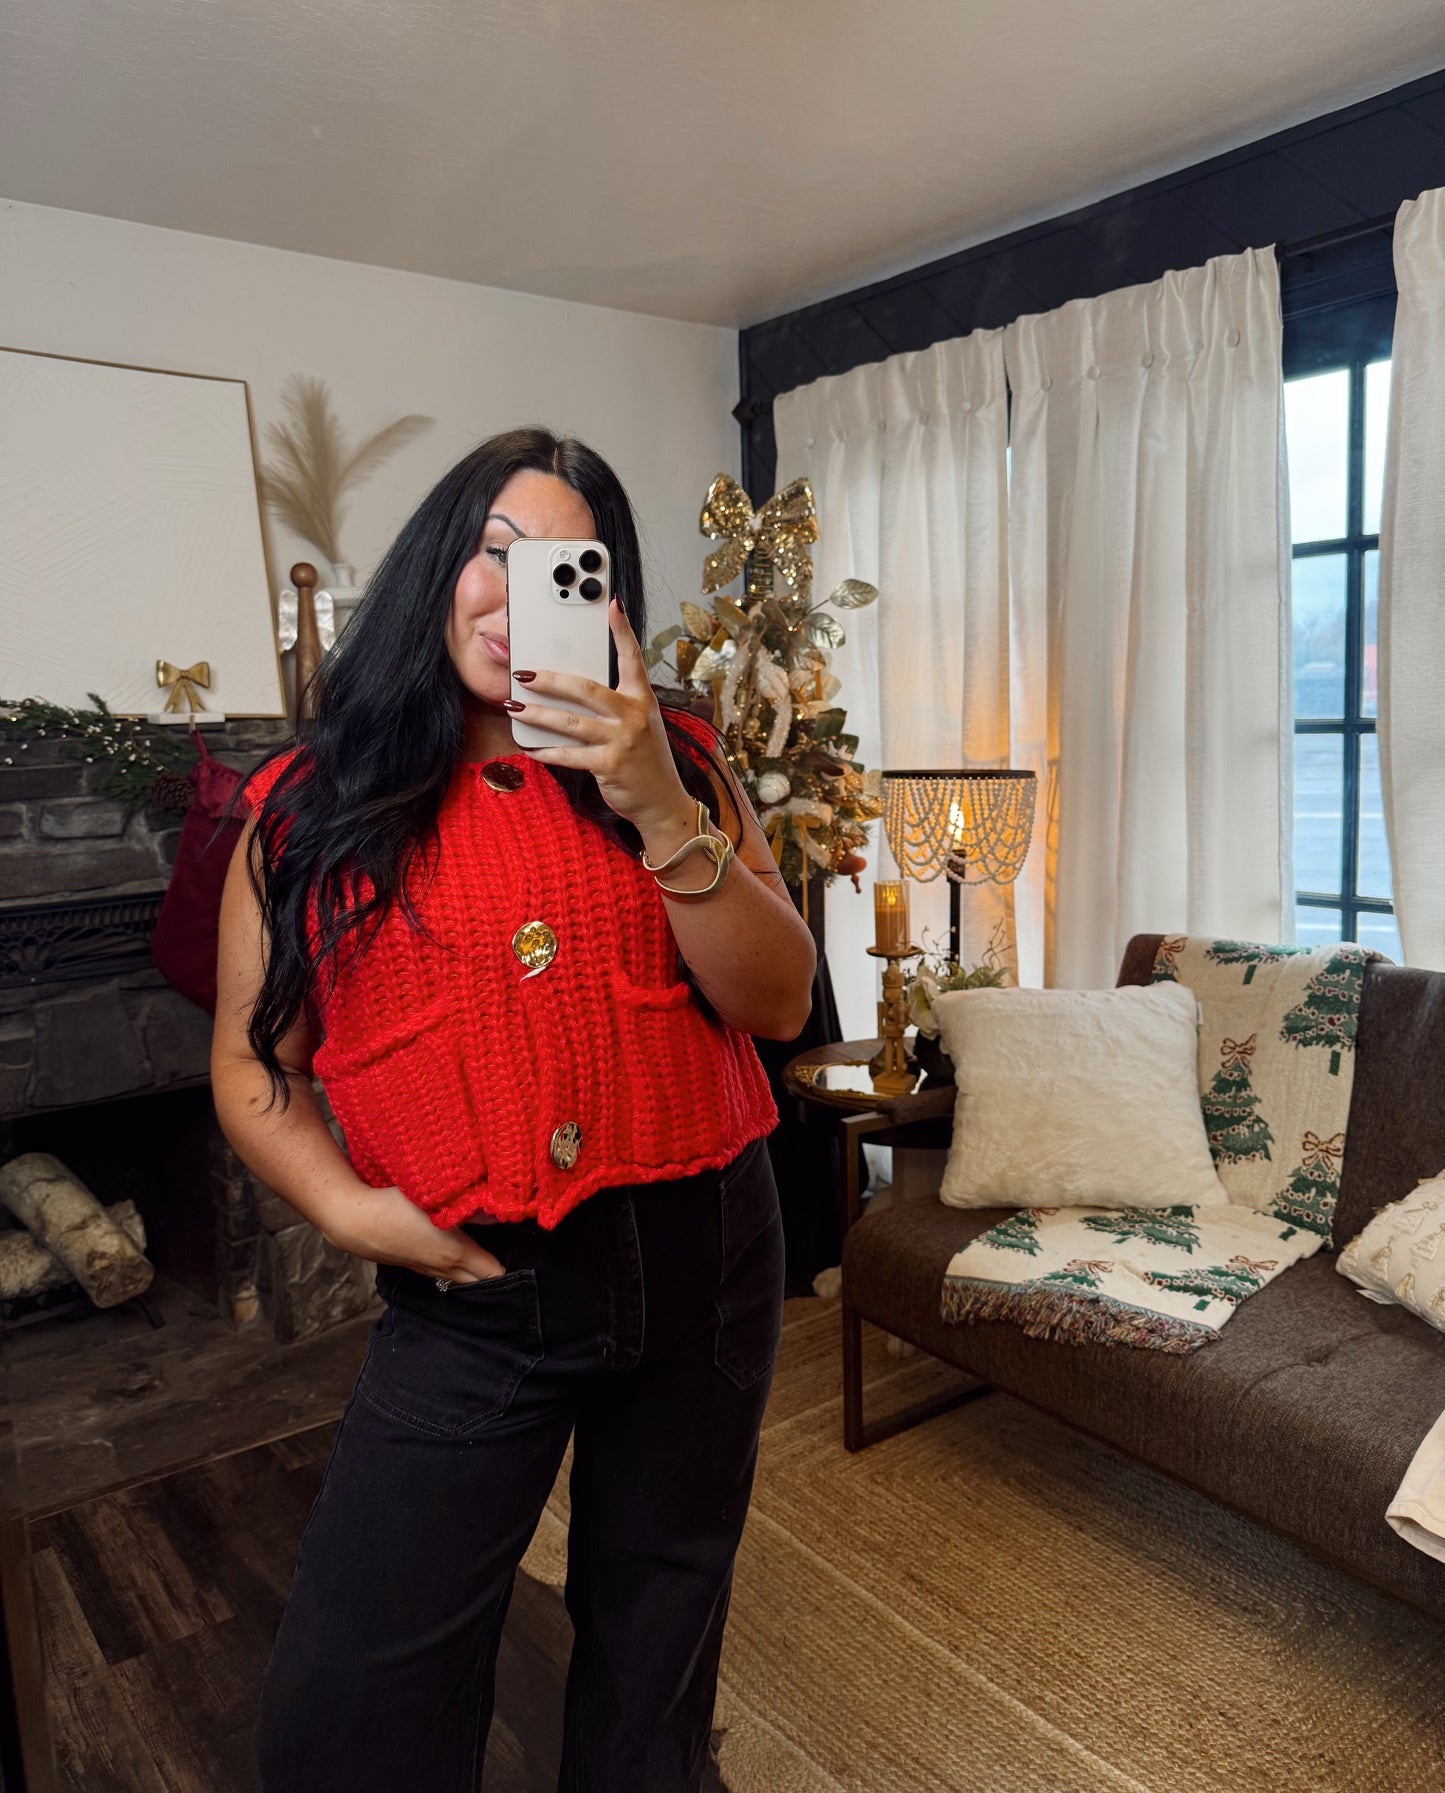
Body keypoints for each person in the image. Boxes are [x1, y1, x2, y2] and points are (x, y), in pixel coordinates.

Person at [212, 427, 816, 1792]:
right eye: (494, 552)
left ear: (607, 603)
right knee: (347, 1714)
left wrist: (654, 800)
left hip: (709, 1258)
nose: (516, 590)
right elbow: (254, 1068)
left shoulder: (681, 760)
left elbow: (780, 1001)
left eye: (564, 564)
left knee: (656, 1650)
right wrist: (349, 1209)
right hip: (477, 1294)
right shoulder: (312, 807)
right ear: (437, 568)